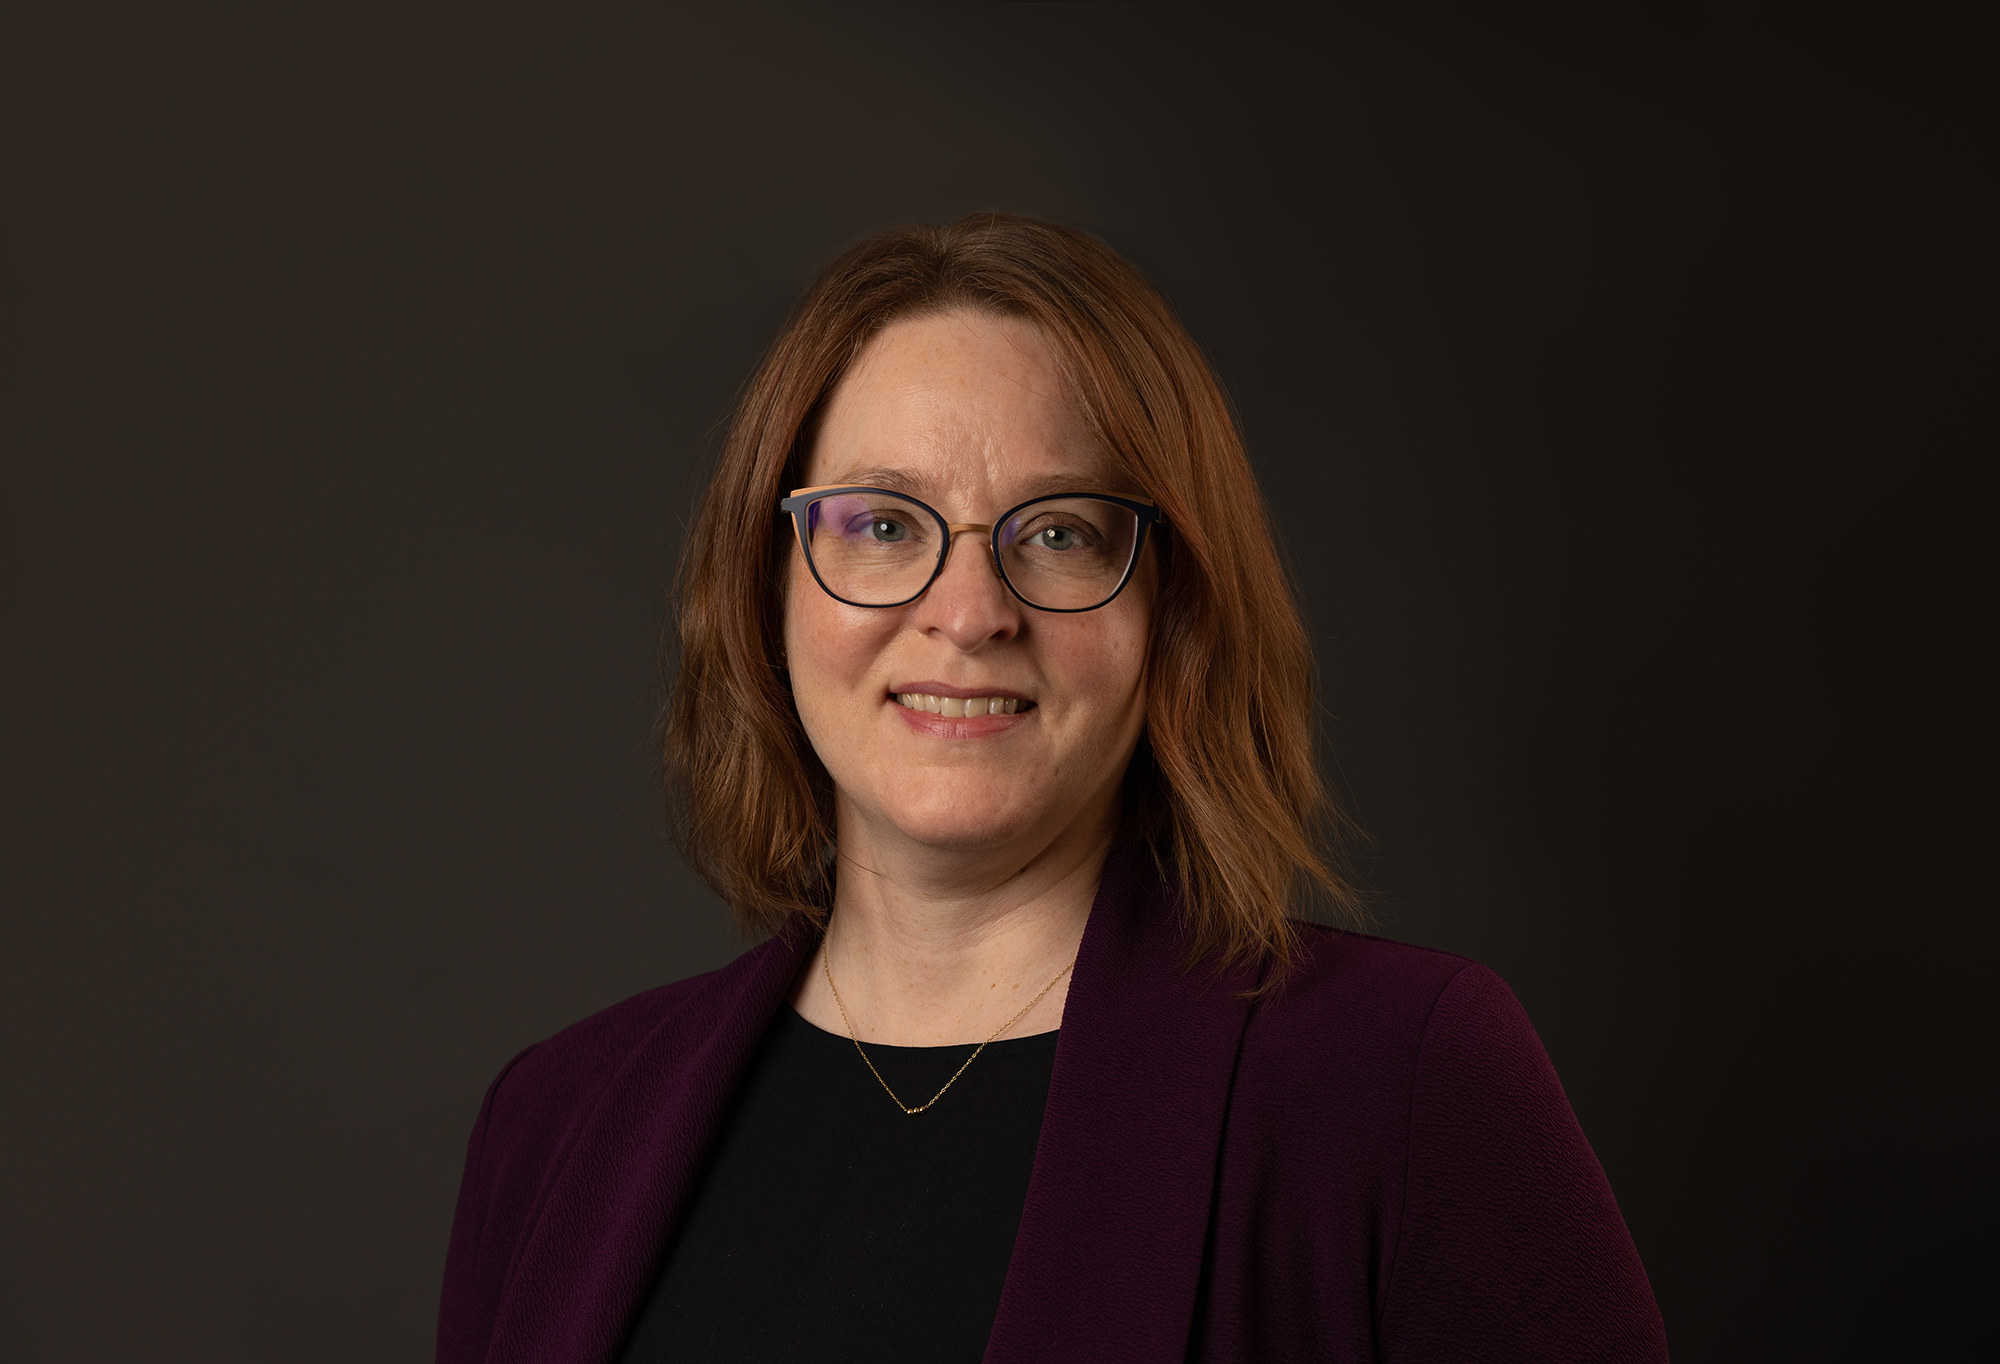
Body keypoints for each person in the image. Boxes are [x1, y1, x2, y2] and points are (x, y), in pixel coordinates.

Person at [437, 214, 1667, 1364]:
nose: (967, 614)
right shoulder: (555, 1122)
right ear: (769, 587)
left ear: (1169, 610)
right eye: (880, 525)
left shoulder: (1399, 1075)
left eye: (1060, 531)